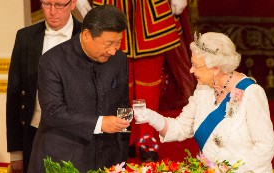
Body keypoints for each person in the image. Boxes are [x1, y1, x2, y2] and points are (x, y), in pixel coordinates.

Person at [134, 32, 274, 172]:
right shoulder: (203, 89)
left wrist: (232, 170)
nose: (191, 70)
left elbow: (265, 146)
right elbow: (180, 127)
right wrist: (150, 116)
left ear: (215, 68)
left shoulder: (251, 93)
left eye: (196, 66)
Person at [76, 0, 195, 162]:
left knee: (149, 87)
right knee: (120, 88)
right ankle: (125, 139)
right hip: (111, 7)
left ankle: (146, 141)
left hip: (149, 9)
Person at [27, 4, 131, 173]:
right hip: (62, 159)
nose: (113, 50)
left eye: (118, 42)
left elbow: (122, 104)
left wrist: (121, 153)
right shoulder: (52, 61)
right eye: (109, 43)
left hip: (107, 160)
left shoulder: (118, 59)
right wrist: (100, 123)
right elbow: (53, 112)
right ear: (87, 35)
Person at [6, 0, 81, 172]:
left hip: (75, 137)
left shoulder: (86, 35)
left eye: (59, 5)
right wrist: (16, 152)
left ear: (72, 4)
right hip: (33, 132)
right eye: (47, 4)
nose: (52, 11)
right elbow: (14, 94)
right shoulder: (25, 37)